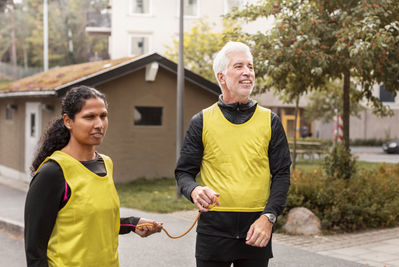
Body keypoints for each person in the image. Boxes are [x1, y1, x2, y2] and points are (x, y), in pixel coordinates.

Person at [175, 41, 291, 267]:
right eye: (239, 66)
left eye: (251, 66)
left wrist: (269, 218)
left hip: (257, 228)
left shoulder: (271, 121)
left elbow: (282, 175)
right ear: (221, 77)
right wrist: (194, 190)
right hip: (213, 229)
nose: (248, 72)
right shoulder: (201, 121)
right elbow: (183, 173)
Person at [24, 85, 163, 267]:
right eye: (89, 117)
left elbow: (94, 222)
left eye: (103, 116)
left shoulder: (106, 163)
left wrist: (132, 224)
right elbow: (35, 251)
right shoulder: (53, 172)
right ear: (68, 121)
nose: (99, 124)